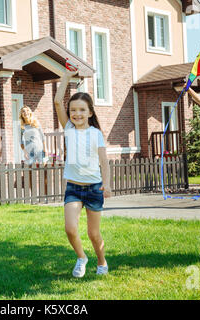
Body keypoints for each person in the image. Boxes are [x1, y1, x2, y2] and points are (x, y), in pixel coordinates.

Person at [54, 69, 112, 278]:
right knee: (70, 228)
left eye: (81, 110)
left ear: (90, 112)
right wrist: (67, 78)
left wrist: (107, 184)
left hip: (94, 188)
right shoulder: (68, 128)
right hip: (74, 188)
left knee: (93, 234)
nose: (76, 114)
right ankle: (81, 257)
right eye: (73, 110)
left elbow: (104, 162)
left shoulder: (96, 134)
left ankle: (102, 261)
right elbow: (58, 101)